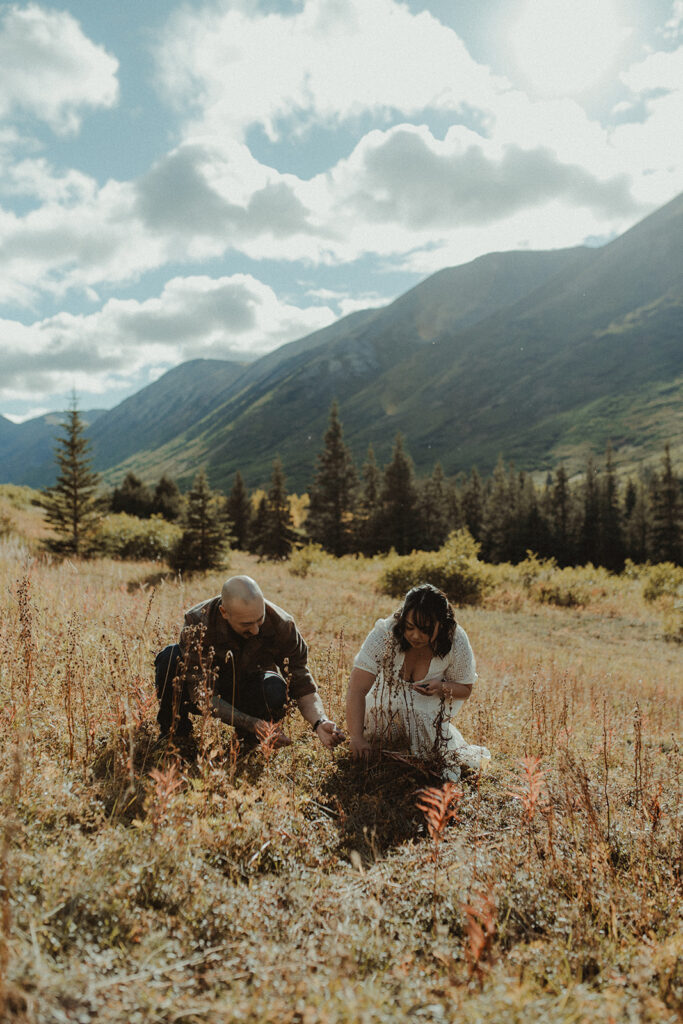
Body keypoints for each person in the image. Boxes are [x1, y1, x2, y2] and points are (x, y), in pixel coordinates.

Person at [155, 575, 344, 750]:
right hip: (211, 690)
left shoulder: (283, 625)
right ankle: (175, 733)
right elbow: (202, 695)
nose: (255, 630)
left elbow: (302, 684)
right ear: (224, 612)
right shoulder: (198, 622)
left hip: (250, 689)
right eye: (246, 624)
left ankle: (250, 739)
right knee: (170, 658)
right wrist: (253, 723)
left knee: (275, 687)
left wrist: (319, 722)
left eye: (259, 620)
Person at [346, 583, 490, 781]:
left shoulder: (455, 641)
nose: (415, 636)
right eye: (410, 627)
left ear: (442, 623)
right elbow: (356, 688)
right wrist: (356, 738)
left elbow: (465, 689)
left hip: (426, 722)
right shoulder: (385, 633)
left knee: (435, 773)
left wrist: (441, 687)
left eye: (425, 629)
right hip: (380, 715)